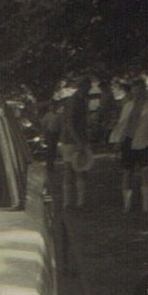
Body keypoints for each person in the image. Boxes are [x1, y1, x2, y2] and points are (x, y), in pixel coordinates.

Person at [110, 78, 148, 225]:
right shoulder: (127, 106)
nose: (137, 93)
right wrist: (118, 143)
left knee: (145, 172)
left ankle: (146, 206)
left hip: (144, 142)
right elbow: (122, 126)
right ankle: (127, 204)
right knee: (127, 173)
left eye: (140, 90)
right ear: (132, 92)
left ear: (144, 91)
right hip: (128, 142)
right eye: (134, 90)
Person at [59, 76, 93, 210]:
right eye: (87, 88)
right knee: (71, 169)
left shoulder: (81, 101)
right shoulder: (74, 101)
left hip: (77, 139)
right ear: (81, 87)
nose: (88, 90)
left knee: (80, 168)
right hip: (71, 140)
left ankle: (79, 201)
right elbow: (70, 124)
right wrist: (79, 141)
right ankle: (69, 202)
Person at [40, 102, 61, 174]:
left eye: (54, 106)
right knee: (50, 148)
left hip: (56, 133)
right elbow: (44, 124)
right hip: (50, 133)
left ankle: (52, 164)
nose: (53, 108)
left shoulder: (59, 115)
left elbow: (61, 125)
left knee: (54, 149)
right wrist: (44, 134)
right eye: (52, 107)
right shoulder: (48, 115)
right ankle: (49, 165)